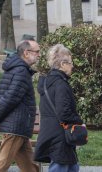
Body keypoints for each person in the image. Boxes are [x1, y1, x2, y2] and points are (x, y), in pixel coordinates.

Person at [0, 40, 41, 172]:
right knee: (1, 164)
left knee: (30, 167)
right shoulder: (21, 72)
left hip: (19, 128)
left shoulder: (15, 69)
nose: (39, 55)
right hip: (15, 127)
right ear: (26, 53)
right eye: (37, 52)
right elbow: (10, 99)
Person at [34, 44, 83, 172]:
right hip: (60, 135)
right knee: (60, 166)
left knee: (72, 166)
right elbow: (64, 113)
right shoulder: (60, 84)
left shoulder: (48, 82)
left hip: (52, 132)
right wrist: (79, 121)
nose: (72, 66)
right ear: (62, 64)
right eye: (70, 63)